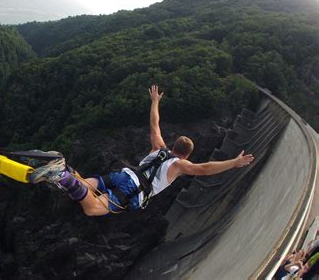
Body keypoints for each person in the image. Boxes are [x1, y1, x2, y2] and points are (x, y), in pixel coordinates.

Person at [33, 85, 254, 216]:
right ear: (186, 154)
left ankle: (65, 172)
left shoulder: (159, 147)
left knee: (92, 183)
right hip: (134, 189)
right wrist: (233, 163)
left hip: (126, 173)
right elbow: (204, 169)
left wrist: (155, 102)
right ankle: (63, 176)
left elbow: (154, 125)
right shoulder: (179, 164)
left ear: (174, 146)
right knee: (91, 208)